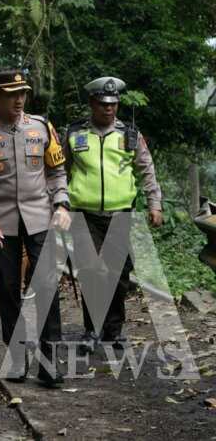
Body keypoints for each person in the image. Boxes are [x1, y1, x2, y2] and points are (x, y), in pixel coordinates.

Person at [0, 69, 70, 387]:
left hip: (40, 217)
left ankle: (50, 363)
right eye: (11, 94)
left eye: (22, 93)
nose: (19, 99)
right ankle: (16, 359)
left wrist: (61, 204)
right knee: (9, 290)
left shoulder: (41, 127)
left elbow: (56, 171)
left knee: (47, 288)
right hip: (2, 222)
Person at [63, 77, 163, 353]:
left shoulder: (130, 135)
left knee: (118, 276)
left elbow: (147, 170)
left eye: (113, 104)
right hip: (84, 214)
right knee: (90, 272)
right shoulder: (74, 133)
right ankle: (91, 330)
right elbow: (60, 171)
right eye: (103, 104)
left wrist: (155, 204)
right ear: (92, 104)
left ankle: (114, 330)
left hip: (121, 214)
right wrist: (58, 205)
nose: (109, 109)